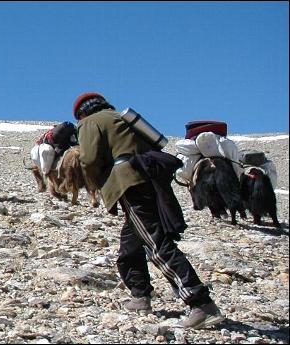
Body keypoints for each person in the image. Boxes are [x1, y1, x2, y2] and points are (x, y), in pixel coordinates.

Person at [74, 92, 223, 329]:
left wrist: (94, 183)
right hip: (150, 179)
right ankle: (140, 295)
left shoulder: (89, 122)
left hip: (130, 183)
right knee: (130, 245)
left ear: (81, 112)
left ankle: (201, 303)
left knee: (156, 243)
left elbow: (89, 159)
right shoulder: (121, 118)